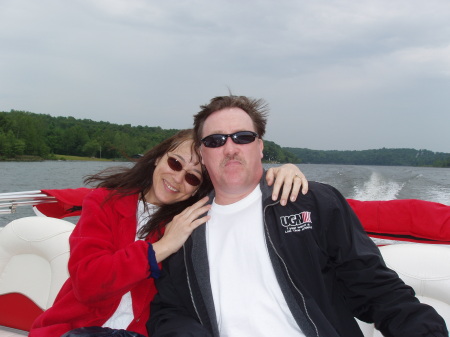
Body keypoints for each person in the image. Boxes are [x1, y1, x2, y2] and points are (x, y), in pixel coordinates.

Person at [147, 96, 448, 337]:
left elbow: (376, 288)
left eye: (243, 137)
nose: (230, 148)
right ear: (202, 153)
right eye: (215, 141)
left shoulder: (313, 202)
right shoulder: (184, 229)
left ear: (260, 146)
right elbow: (170, 311)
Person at [29, 129, 308, 337]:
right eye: (175, 163)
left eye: (192, 177)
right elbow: (88, 283)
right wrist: (160, 248)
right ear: (158, 158)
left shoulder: (192, 221)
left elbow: (244, 198)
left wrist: (285, 172)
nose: (177, 178)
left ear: (197, 189)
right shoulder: (104, 203)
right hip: (75, 329)